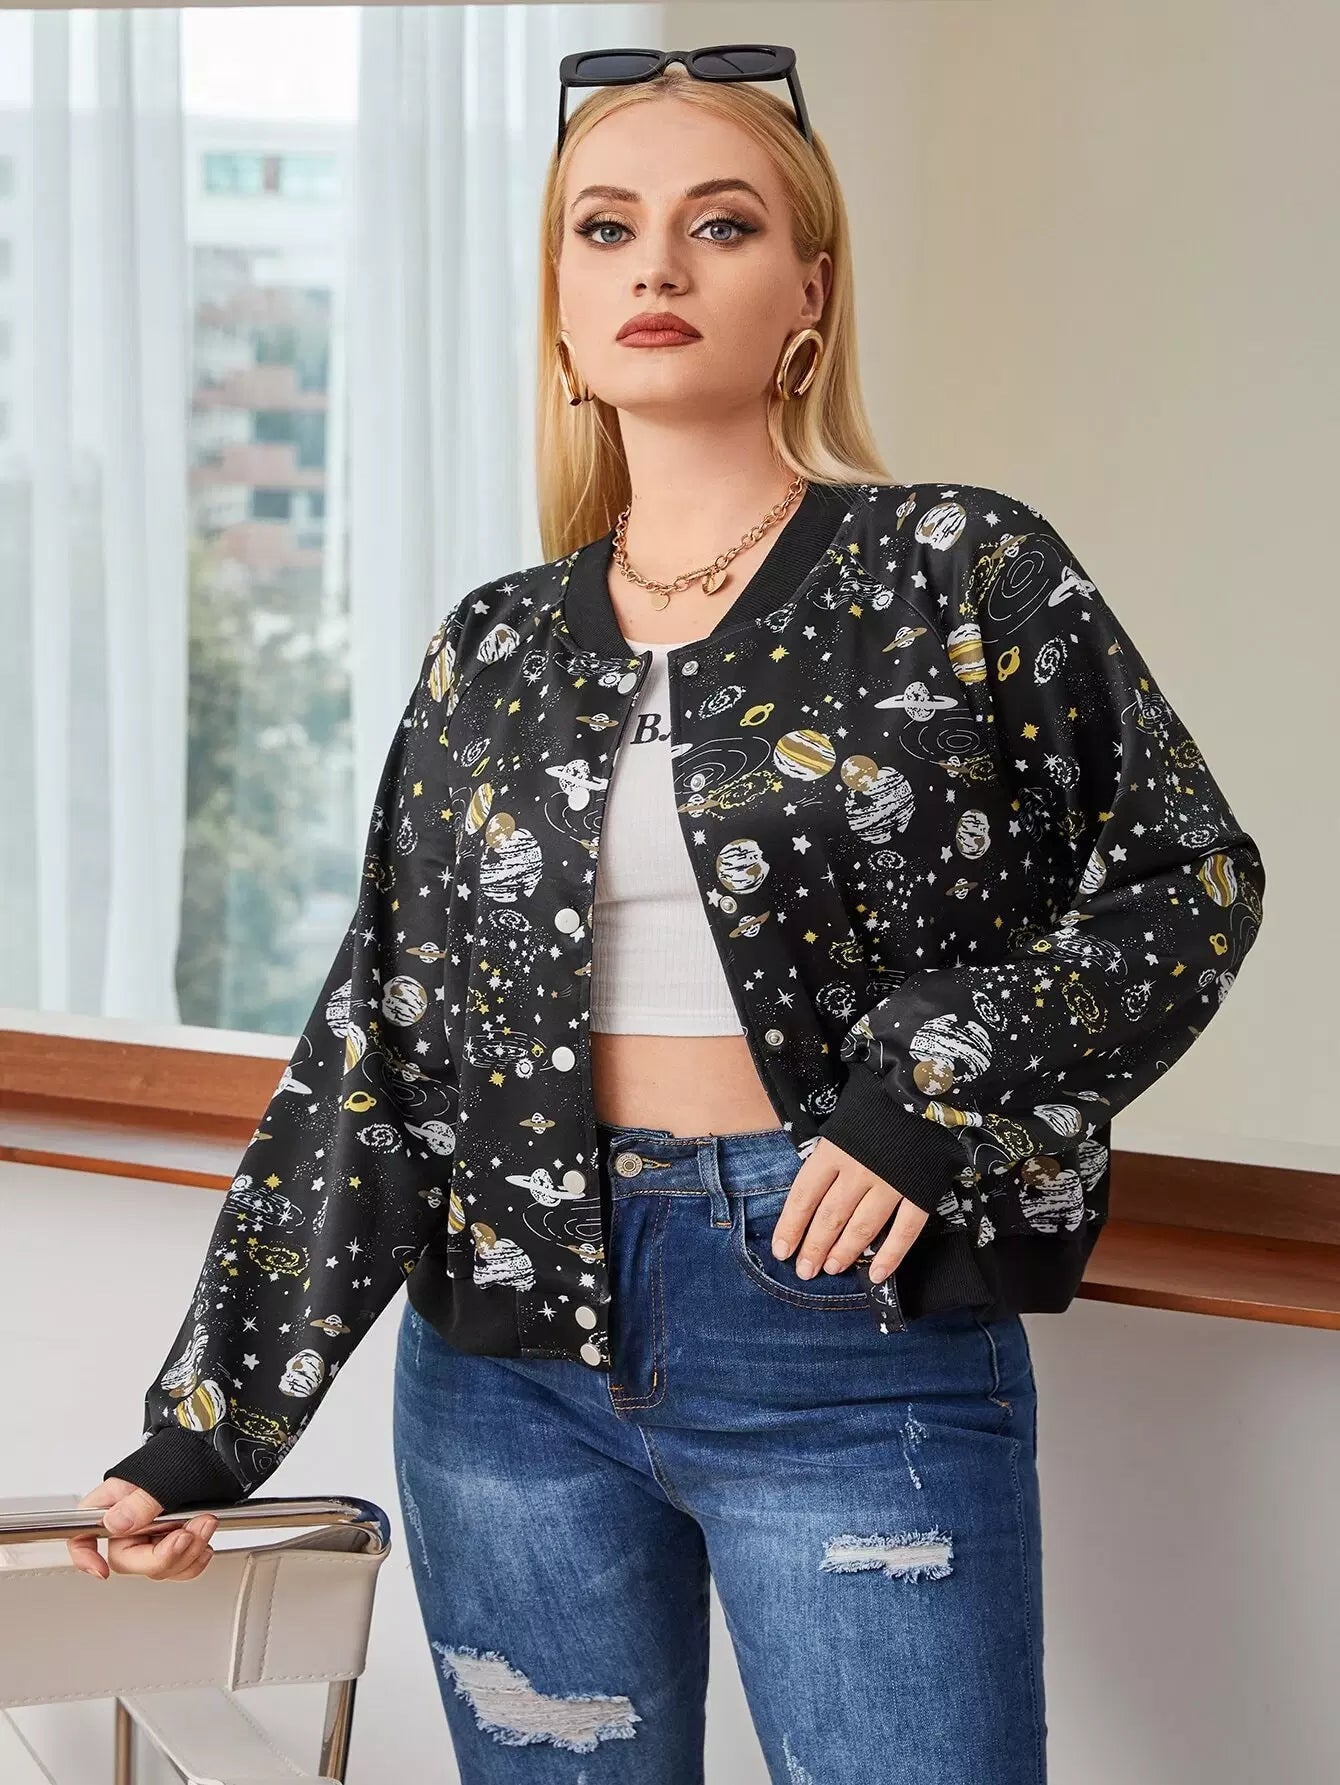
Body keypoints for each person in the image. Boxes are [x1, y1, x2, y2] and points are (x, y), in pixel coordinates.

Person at [72, 47, 1266, 1784]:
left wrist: (931, 1096)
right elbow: (378, 1046)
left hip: (843, 1320)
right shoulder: (491, 645)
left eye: (721, 225)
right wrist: (204, 1432)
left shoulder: (959, 567)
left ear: (810, 293)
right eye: (606, 229)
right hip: (500, 1364)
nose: (657, 266)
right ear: (561, 314)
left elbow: (1189, 879)